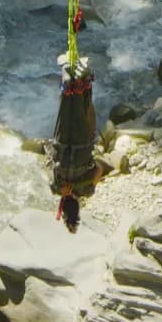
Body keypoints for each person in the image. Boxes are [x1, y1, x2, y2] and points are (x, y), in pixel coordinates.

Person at [49, 55, 100, 233]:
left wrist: (91, 169)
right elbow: (52, 170)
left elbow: (99, 169)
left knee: (83, 111)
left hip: (82, 145)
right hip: (62, 144)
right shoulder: (57, 188)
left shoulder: (86, 189)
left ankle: (83, 80)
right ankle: (67, 76)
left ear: (78, 207)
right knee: (66, 110)